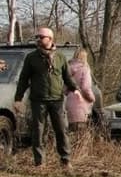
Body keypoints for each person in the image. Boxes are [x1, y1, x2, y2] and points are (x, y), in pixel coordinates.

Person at [14, 26, 81, 168]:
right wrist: (18, 99)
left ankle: (65, 161)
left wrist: (75, 89)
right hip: (38, 101)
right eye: (37, 37)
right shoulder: (31, 57)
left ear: (50, 39)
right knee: (38, 132)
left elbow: (67, 77)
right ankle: (40, 163)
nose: (38, 39)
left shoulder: (60, 57)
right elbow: (23, 79)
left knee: (61, 130)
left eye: (41, 37)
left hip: (57, 100)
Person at [64, 48, 96, 133]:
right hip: (81, 104)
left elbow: (64, 89)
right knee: (81, 133)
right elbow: (85, 88)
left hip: (70, 102)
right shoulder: (85, 69)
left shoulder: (68, 69)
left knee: (72, 131)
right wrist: (92, 98)